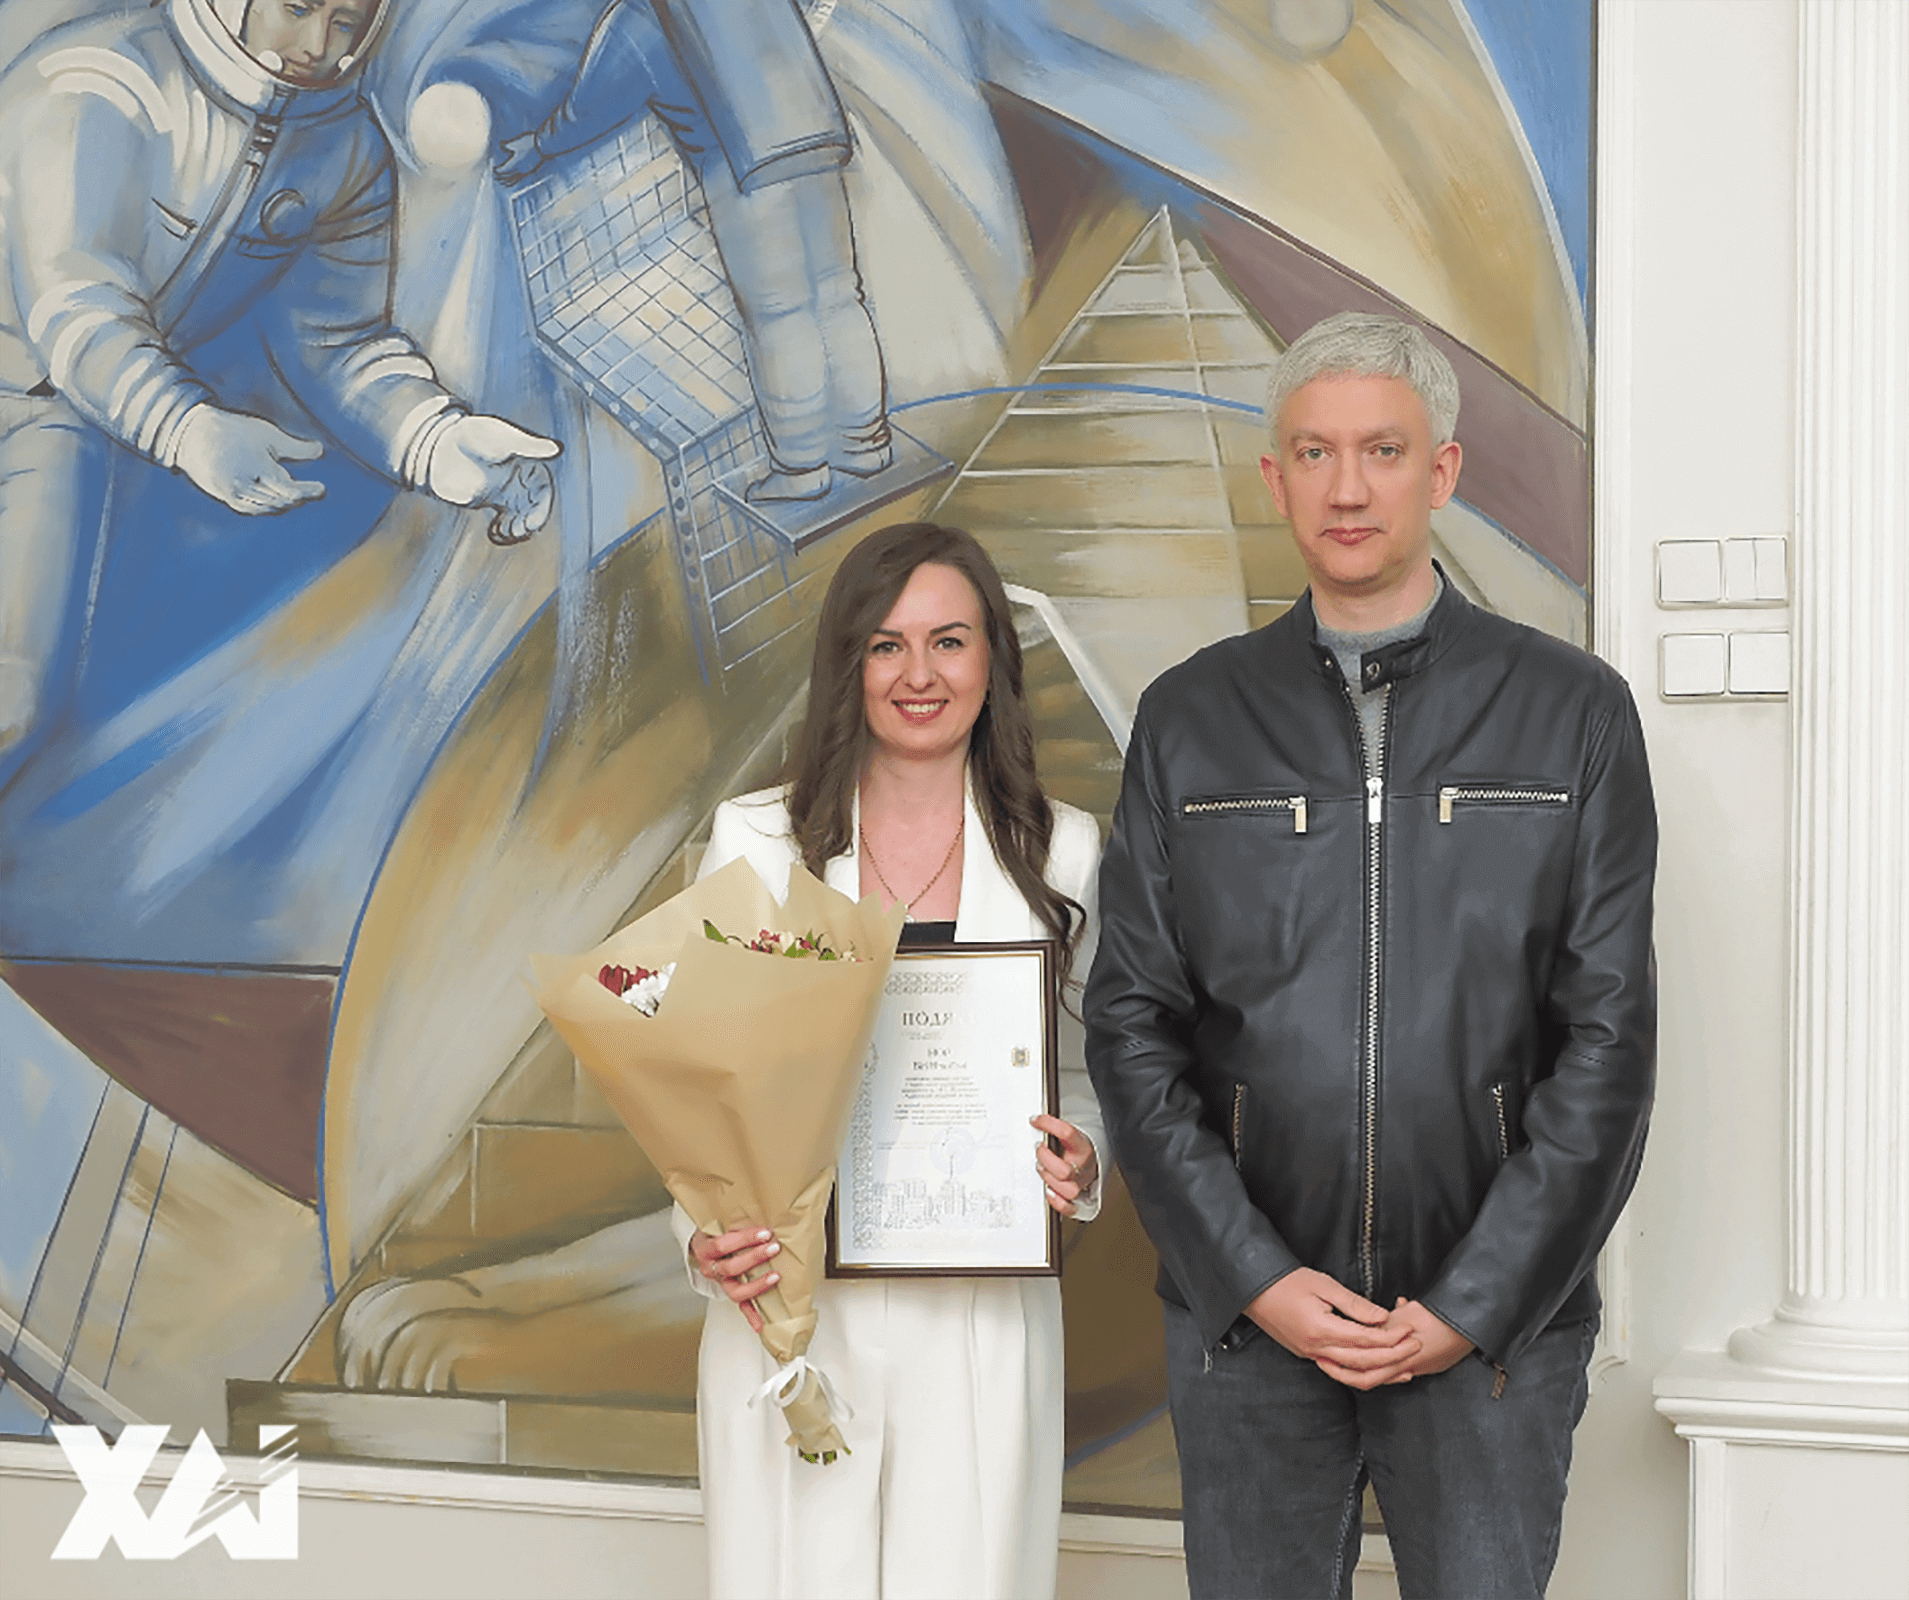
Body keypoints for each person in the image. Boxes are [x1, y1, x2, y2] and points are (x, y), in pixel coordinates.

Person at [1085, 312, 1656, 1599]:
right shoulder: (1188, 716)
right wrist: (1256, 1279)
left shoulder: (1574, 713)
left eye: (1383, 450)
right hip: (1251, 1328)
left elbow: (1609, 1040)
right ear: (1274, 477)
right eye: (1315, 452)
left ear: (1440, 471)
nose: (1347, 487)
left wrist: (1473, 1304)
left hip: (1490, 1333)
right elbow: (1130, 1025)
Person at [683, 519, 1103, 1598]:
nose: (919, 674)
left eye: (948, 641)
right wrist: (702, 1234)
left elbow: (1088, 1070)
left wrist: (1083, 1160)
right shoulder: (755, 842)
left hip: (979, 1309)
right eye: (885, 645)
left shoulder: (1065, 850)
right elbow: (696, 1081)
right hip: (792, 1304)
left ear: (992, 661)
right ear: (847, 665)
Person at [0, 0, 561, 756]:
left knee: (13, 697)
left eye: (346, 22)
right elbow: (76, 301)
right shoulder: (101, 81)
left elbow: (336, 336)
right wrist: (188, 429)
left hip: (65, 422)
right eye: (297, 7)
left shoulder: (343, 147)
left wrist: (435, 440)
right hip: (48, 373)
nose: (316, 44)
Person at [494, 0, 892, 503]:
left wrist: (540, 146)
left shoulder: (646, 15)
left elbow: (594, 103)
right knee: (838, 296)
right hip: (816, 143)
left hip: (741, 167)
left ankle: (801, 466)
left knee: (779, 317)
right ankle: (864, 443)